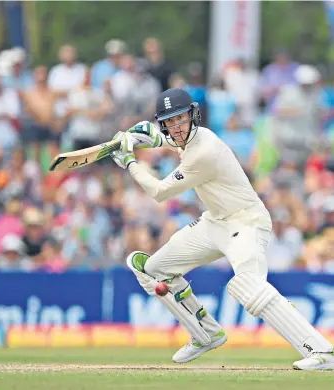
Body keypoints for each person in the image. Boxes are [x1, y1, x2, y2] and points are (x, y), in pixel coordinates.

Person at [110, 88, 334, 370]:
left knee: (248, 286)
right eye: (169, 122)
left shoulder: (204, 151)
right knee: (151, 269)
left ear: (193, 116)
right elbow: (163, 138)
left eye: (181, 119)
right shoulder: (184, 138)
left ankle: (322, 352)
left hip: (247, 222)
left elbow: (159, 192)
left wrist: (130, 161)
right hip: (214, 222)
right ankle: (205, 333)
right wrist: (137, 136)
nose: (176, 127)